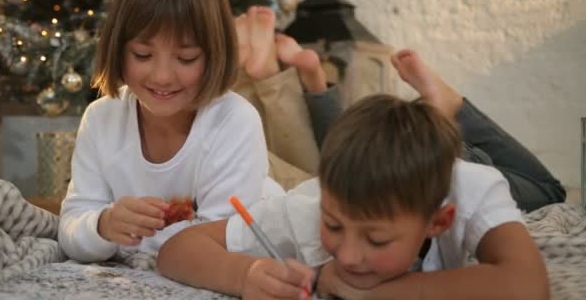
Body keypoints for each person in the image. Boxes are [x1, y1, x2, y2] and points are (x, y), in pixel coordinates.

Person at [156, 51, 549, 300]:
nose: (347, 255)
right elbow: (178, 250)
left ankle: (448, 110)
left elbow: (528, 285)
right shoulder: (314, 203)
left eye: (376, 238)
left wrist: (382, 294)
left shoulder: (471, 188)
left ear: (437, 221)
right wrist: (245, 276)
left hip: (468, 163)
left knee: (546, 190)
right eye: (334, 226)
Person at [235, 7, 565, 212]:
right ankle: (303, 85)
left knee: (343, 157)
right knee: (548, 190)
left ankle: (296, 85)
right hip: (432, 162)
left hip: (431, 163)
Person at [58, 0, 275, 262]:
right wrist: (103, 225)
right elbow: (71, 227)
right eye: (142, 55)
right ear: (118, 49)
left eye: (186, 58)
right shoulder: (101, 118)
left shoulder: (235, 121)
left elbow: (225, 244)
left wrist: (134, 244)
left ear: (214, 55)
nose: (162, 76)